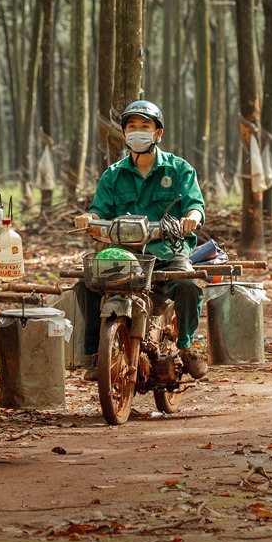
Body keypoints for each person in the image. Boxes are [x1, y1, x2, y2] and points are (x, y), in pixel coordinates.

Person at [70, 99, 210, 379]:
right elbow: (99, 210)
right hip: (125, 255)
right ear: (124, 134)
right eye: (131, 126)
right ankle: (96, 353)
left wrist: (192, 217)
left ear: (158, 133)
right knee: (85, 285)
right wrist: (89, 217)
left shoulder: (179, 169)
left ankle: (185, 346)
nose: (137, 131)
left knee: (189, 285)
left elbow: (195, 204)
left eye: (145, 126)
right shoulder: (113, 174)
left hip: (169, 251)